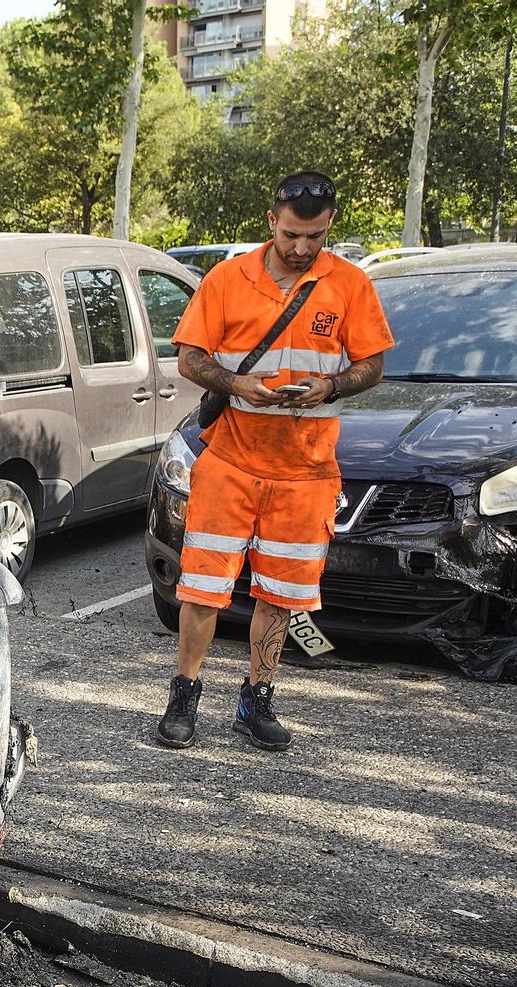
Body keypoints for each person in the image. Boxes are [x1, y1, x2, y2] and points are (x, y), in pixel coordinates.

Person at [157, 171, 394, 751]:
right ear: (272, 222)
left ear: (329, 225)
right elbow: (190, 357)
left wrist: (332, 386)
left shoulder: (349, 285)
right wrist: (238, 381)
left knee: (280, 594)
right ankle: (184, 692)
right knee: (203, 587)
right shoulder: (227, 279)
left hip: (306, 473)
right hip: (230, 463)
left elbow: (372, 365)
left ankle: (256, 700)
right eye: (291, 234)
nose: (301, 247)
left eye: (313, 236)